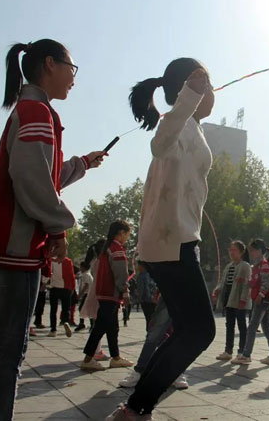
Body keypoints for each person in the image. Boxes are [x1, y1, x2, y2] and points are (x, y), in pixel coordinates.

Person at [0, 39, 105, 420]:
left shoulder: (31, 109)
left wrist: (83, 163)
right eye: (73, 68)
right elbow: (32, 179)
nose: (74, 78)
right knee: (8, 354)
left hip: (4, 244)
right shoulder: (37, 111)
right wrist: (58, 227)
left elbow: (43, 174)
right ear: (50, 64)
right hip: (18, 246)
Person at [106, 59, 215, 421]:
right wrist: (188, 98)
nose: (212, 92)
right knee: (201, 330)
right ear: (190, 89)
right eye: (207, 85)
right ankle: (137, 407)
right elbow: (159, 143)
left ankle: (136, 407)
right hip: (174, 243)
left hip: (179, 239)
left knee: (186, 329)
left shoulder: (193, 127)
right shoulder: (178, 122)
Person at [81, 220, 135, 370]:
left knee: (112, 327)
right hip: (111, 293)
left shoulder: (106, 248)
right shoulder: (117, 249)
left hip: (103, 292)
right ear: (121, 233)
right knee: (100, 327)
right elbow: (121, 274)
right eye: (127, 234)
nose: (127, 238)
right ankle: (87, 359)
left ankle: (115, 357)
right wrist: (125, 291)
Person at [231, 239, 269, 365]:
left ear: (259, 251)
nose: (250, 253)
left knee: (252, 327)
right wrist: (246, 281)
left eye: (252, 250)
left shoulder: (264, 264)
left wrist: (261, 294)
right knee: (267, 328)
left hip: (263, 300)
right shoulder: (256, 266)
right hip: (261, 299)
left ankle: (246, 355)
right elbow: (256, 282)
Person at [214, 241, 252, 361]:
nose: (231, 252)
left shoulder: (245, 266)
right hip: (229, 299)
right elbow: (223, 281)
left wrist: (243, 299)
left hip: (239, 299)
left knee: (241, 325)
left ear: (241, 252)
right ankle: (228, 351)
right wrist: (217, 290)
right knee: (229, 325)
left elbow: (247, 285)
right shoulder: (229, 266)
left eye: (234, 249)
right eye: (230, 249)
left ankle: (242, 352)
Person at [46, 257, 76, 337]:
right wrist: (73, 287)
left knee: (53, 310)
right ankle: (65, 321)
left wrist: (44, 283)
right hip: (66, 288)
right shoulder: (68, 261)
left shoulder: (51, 260)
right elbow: (71, 274)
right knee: (66, 309)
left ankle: (53, 330)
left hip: (54, 287)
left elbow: (48, 273)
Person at [135, 262, 157, 330]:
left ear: (142, 266)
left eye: (138, 265)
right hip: (154, 299)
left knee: (148, 318)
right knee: (153, 318)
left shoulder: (141, 276)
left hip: (146, 300)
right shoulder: (152, 274)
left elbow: (141, 289)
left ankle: (149, 333)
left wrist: (139, 299)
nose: (137, 267)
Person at [74, 261, 94, 332]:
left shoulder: (85, 275)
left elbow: (86, 286)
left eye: (80, 267)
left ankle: (87, 324)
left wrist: (80, 295)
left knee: (83, 308)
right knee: (86, 309)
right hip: (89, 294)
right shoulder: (88, 274)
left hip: (87, 294)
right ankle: (88, 324)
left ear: (83, 267)